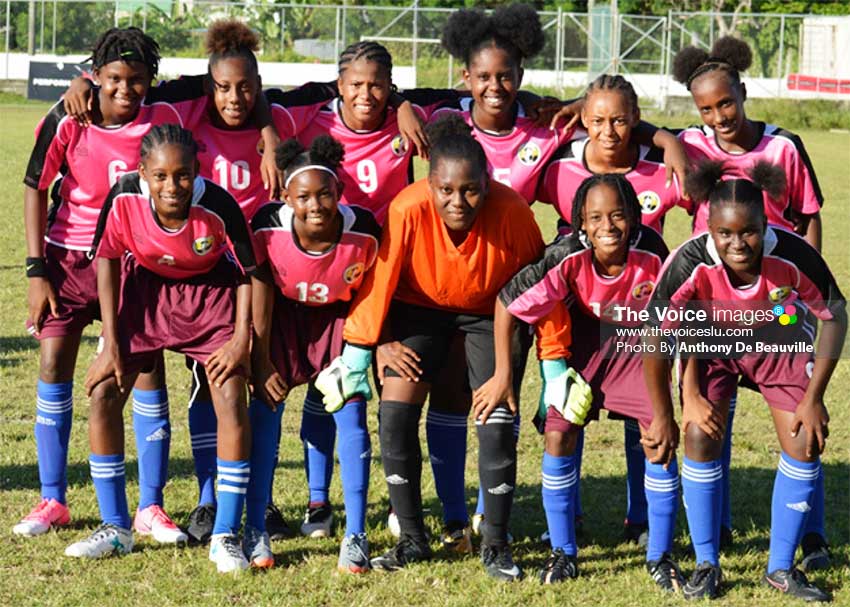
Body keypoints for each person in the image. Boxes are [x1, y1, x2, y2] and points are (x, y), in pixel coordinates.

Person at [315, 115, 552, 581]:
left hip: (491, 314)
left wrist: (552, 365)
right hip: (418, 310)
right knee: (397, 413)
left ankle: (496, 545)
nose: (457, 201)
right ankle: (412, 538)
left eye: (469, 190)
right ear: (430, 185)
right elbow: (381, 278)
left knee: (496, 419)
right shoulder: (407, 208)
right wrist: (371, 344)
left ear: (488, 182)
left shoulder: (513, 210)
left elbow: (541, 288)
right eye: (445, 190)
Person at [16, 27, 195, 545]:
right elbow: (34, 186)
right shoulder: (68, 118)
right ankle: (53, 497)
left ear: (149, 81)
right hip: (68, 259)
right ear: (96, 75)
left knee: (144, 372)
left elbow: (223, 80)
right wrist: (35, 271)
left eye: (137, 79)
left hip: (136, 263)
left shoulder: (164, 117)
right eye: (114, 77)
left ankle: (150, 506)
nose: (125, 89)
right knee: (54, 366)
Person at [644, 160, 845, 601]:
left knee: (804, 438)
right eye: (725, 233)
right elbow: (655, 339)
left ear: (765, 222)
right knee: (699, 436)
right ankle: (706, 563)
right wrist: (673, 408)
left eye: (749, 231)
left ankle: (779, 568)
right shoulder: (689, 262)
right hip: (711, 348)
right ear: (709, 228)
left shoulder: (793, 254)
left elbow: (835, 317)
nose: (737, 244)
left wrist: (814, 397)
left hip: (780, 342)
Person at [71, 124, 258, 575]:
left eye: (182, 175)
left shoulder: (217, 205)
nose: (172, 186)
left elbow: (252, 273)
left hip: (209, 295)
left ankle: (226, 536)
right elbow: (107, 261)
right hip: (146, 295)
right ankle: (116, 527)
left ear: (197, 172)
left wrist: (240, 340)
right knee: (103, 393)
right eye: (160, 176)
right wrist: (110, 341)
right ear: (142, 173)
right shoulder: (122, 198)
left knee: (231, 398)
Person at [481, 173, 682, 591]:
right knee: (558, 435)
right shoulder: (565, 255)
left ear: (636, 218)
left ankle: (660, 555)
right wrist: (504, 373)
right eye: (595, 218)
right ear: (581, 224)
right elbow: (507, 303)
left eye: (618, 215)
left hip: (636, 346)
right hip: (582, 347)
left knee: (658, 438)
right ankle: (563, 552)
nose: (608, 226)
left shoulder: (654, 254)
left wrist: (672, 401)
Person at [672, 35, 830, 563]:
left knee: (802, 419)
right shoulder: (692, 143)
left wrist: (803, 300)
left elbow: (808, 217)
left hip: (777, 298)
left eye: (726, 103)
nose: (719, 116)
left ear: (742, 91)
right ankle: (711, 534)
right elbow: (635, 132)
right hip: (714, 303)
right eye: (706, 109)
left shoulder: (783, 146)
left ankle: (811, 535)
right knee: (714, 416)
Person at [535, 73, 691, 546]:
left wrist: (668, 141)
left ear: (636, 121)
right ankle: (569, 522)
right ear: (583, 119)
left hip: (637, 313)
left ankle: (639, 519)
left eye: (620, 121)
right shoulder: (559, 165)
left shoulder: (660, 167)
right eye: (597, 120)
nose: (608, 130)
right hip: (572, 316)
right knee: (564, 414)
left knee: (641, 417)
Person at [249, 135, 380, 572]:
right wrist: (261, 356)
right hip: (284, 323)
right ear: (286, 197)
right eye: (303, 196)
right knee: (265, 414)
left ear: (340, 191)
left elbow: (375, 291)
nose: (316, 204)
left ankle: (356, 534)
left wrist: (364, 349)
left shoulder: (364, 230)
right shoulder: (267, 225)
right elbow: (260, 285)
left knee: (351, 414)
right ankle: (257, 528)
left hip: (340, 322)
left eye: (325, 193)